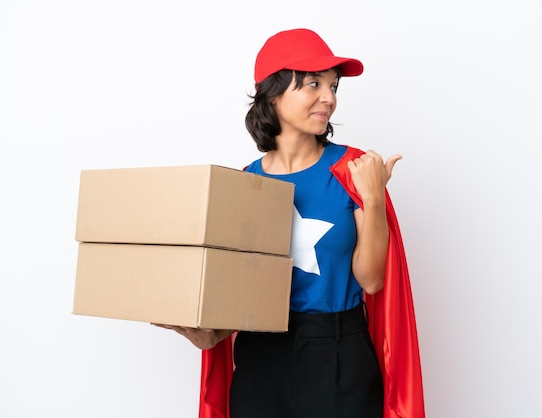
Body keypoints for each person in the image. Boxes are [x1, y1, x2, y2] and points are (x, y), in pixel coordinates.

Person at [154, 28, 425, 418]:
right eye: (313, 83)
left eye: (333, 86)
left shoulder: (353, 170)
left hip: (336, 353)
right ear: (274, 92)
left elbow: (372, 280)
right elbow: (240, 289)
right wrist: (210, 333)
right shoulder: (244, 183)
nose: (328, 98)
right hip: (261, 357)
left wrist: (374, 198)